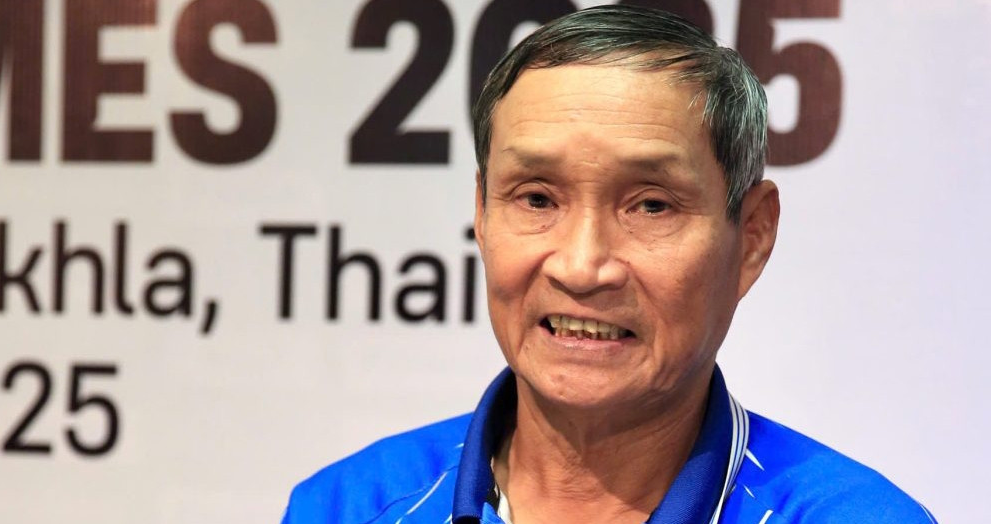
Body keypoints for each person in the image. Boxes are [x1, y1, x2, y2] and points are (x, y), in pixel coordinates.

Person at [282, 6, 936, 523]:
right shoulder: (347, 506)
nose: (582, 265)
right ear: (481, 212)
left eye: (651, 205)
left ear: (753, 236)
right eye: (537, 198)